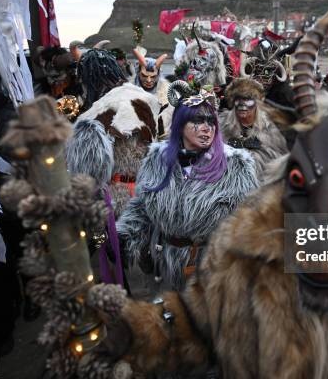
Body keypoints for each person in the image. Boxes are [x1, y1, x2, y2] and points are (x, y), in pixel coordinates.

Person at [117, 91, 258, 290]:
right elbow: (143, 207)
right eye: (197, 121)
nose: (207, 128)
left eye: (211, 121)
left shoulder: (236, 165)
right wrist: (124, 237)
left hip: (214, 270)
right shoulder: (157, 160)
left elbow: (249, 221)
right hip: (166, 265)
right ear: (180, 124)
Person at [219, 78, 288, 180]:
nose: (243, 106)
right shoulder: (223, 124)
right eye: (239, 100)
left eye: (248, 100)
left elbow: (278, 160)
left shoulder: (268, 128)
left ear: (256, 104)